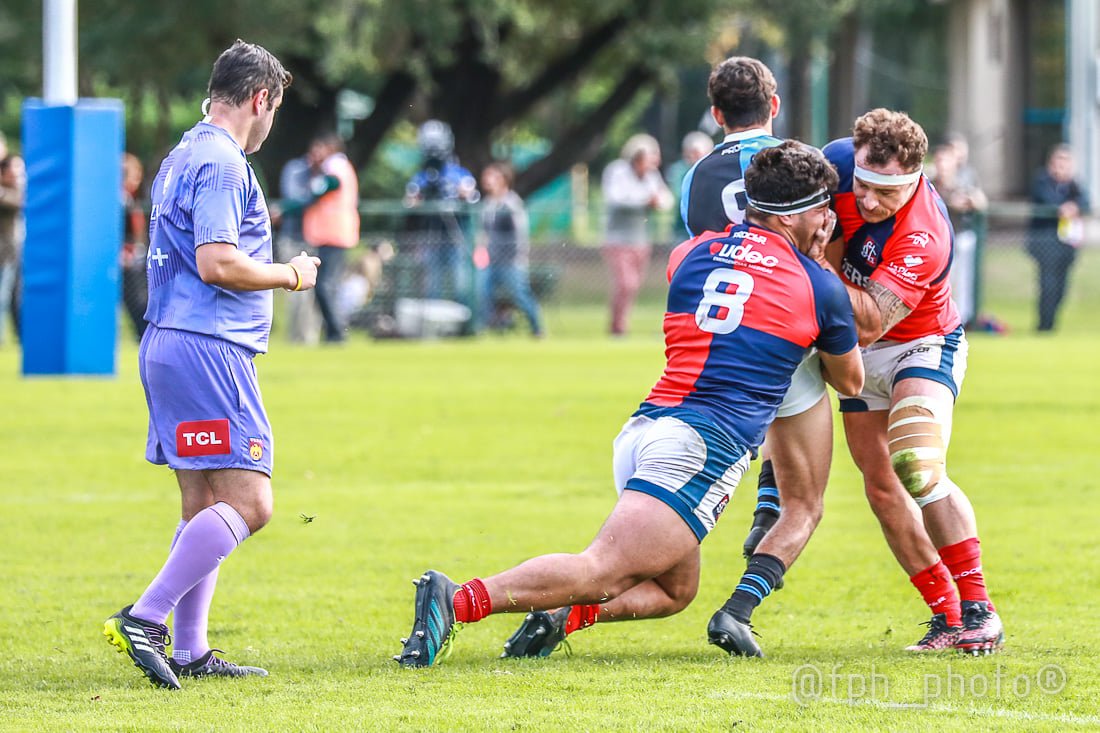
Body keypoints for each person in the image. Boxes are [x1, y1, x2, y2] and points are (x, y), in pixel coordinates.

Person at [394, 141, 863, 668]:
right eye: (823, 207)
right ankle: (456, 601)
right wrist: (818, 268)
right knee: (601, 571)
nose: (829, 219)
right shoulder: (819, 286)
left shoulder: (692, 253)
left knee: (674, 591)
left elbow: (737, 286)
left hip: (648, 429)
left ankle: (559, 617)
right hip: (701, 447)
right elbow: (850, 381)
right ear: (796, 215)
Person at [102, 40, 319, 689]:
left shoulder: (181, 154)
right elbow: (217, 262)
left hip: (168, 342)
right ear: (261, 99)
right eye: (275, 108)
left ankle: (191, 649)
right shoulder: (223, 161)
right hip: (208, 347)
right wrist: (290, 274)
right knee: (251, 502)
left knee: (204, 502)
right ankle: (146, 617)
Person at [822, 108, 1004, 653]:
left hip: (919, 343)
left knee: (916, 464)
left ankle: (981, 610)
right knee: (881, 488)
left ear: (914, 178)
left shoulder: (924, 233)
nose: (869, 200)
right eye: (863, 185)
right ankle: (947, 615)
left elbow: (870, 321)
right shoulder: (835, 162)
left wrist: (818, 264)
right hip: (857, 353)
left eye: (886, 191)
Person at [676, 56, 839, 656]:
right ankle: (742, 600)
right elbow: (825, 242)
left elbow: (699, 253)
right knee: (807, 501)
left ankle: (766, 493)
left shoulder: (695, 175)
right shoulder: (799, 160)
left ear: (716, 114)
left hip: (719, 337)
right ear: (774, 106)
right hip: (790, 325)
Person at [601, 133, 673, 336]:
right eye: (651, 156)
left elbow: (666, 200)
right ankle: (618, 327)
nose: (655, 162)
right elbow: (615, 198)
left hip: (641, 240)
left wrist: (654, 202)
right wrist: (645, 201)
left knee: (632, 286)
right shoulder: (617, 171)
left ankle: (620, 324)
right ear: (637, 156)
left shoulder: (651, 176)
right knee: (626, 283)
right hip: (617, 239)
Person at [404, 120, 479, 301]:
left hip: (456, 237)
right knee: (432, 285)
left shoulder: (459, 173)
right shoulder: (421, 177)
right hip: (431, 239)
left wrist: (458, 192)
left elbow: (472, 196)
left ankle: (466, 315)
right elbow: (409, 201)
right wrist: (422, 197)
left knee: (461, 284)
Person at [303, 132, 360, 343]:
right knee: (328, 285)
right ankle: (334, 331)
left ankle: (336, 332)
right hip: (335, 232)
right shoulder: (341, 167)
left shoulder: (334, 168)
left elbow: (318, 192)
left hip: (333, 233)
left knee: (325, 286)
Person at [479, 160, 544, 337]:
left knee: (519, 294)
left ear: (503, 179)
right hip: (491, 259)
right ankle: (489, 324)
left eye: (492, 176)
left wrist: (518, 255)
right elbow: (484, 233)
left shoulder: (512, 203)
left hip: (511, 260)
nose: (487, 180)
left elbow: (519, 234)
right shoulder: (487, 203)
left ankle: (537, 328)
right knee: (481, 291)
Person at [1027, 144, 1087, 332]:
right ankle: (1045, 325)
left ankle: (1052, 320)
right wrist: (1062, 208)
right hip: (1045, 239)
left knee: (1061, 286)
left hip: (1066, 242)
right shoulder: (1042, 181)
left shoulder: (1073, 186)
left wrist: (1074, 207)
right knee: (1048, 284)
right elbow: (1045, 200)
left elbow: (1085, 201)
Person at [930, 136, 987, 328]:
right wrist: (949, 204)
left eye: (946, 161)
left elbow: (981, 201)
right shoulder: (929, 184)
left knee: (962, 282)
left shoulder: (963, 183)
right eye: (939, 161)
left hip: (960, 237)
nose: (942, 166)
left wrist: (971, 202)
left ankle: (961, 321)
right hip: (937, 241)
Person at [276, 151, 322, 344]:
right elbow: (294, 198)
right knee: (296, 291)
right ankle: (296, 337)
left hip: (314, 239)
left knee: (314, 293)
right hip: (292, 238)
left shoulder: (325, 173)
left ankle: (309, 336)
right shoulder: (294, 169)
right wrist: (313, 195)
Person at [120, 153, 149, 342]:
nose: (137, 180)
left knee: (139, 298)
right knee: (136, 299)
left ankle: (142, 331)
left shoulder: (129, 198)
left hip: (134, 257)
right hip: (126, 259)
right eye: (134, 175)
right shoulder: (120, 200)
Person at [666, 131, 714, 244]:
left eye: (697, 153)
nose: (693, 157)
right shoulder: (678, 171)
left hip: (709, 230)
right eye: (690, 153)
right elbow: (679, 195)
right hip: (682, 230)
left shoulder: (714, 171)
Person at [0, 154, 25, 346]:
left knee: (14, 296)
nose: (19, 174)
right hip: (5, 253)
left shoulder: (16, 191)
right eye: (15, 169)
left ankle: (21, 334)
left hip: (13, 253)